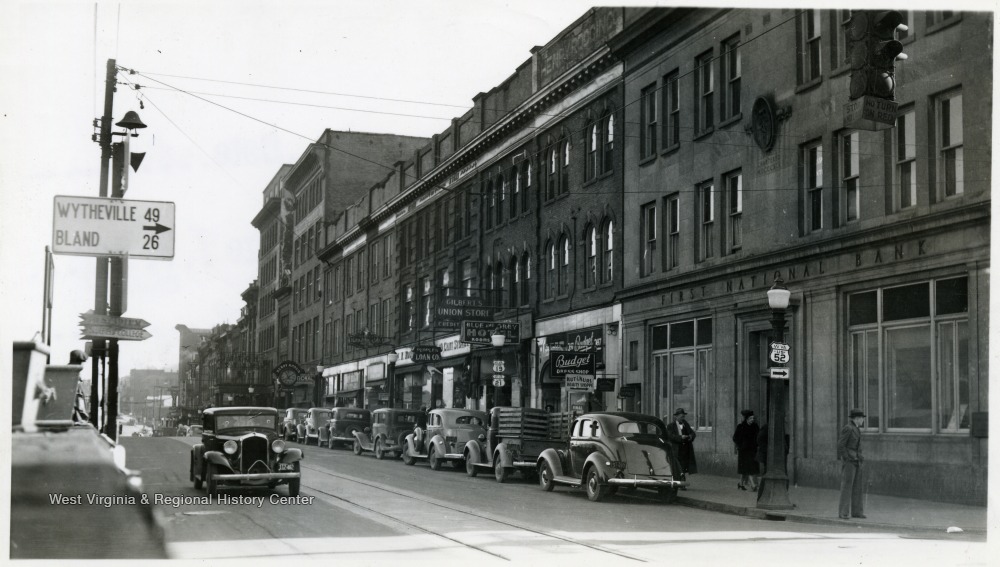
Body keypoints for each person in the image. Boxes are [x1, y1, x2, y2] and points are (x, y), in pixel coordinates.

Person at [838, 408, 866, 519]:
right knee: (847, 486)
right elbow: (841, 445)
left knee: (857, 487)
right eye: (862, 418)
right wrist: (847, 458)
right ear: (857, 418)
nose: (863, 420)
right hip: (850, 461)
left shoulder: (856, 429)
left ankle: (857, 512)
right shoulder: (848, 428)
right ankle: (843, 513)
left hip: (857, 460)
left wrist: (859, 457)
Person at [665, 408, 697, 488]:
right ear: (676, 417)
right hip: (676, 449)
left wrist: (690, 436)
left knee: (683, 465)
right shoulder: (670, 426)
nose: (683, 418)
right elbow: (670, 436)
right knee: (677, 466)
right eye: (681, 417)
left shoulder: (685, 424)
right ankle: (679, 481)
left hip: (685, 449)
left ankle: (681, 481)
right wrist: (680, 437)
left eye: (683, 416)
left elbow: (692, 433)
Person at [732, 409, 760, 491]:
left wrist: (757, 445)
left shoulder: (755, 427)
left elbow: (758, 437)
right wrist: (740, 445)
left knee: (745, 468)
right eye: (750, 418)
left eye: (753, 418)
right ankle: (753, 485)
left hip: (753, 450)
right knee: (748, 467)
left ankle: (740, 484)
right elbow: (735, 438)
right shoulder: (741, 427)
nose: (752, 420)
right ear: (746, 419)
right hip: (743, 451)